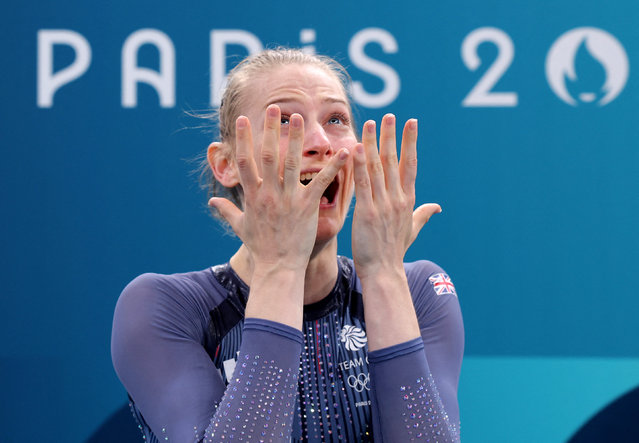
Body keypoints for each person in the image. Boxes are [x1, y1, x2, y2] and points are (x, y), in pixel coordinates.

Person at [111, 48, 464, 442]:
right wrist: (280, 266)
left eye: (335, 119)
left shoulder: (418, 293)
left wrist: (383, 275)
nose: (317, 141)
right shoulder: (166, 307)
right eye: (283, 121)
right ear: (226, 164)